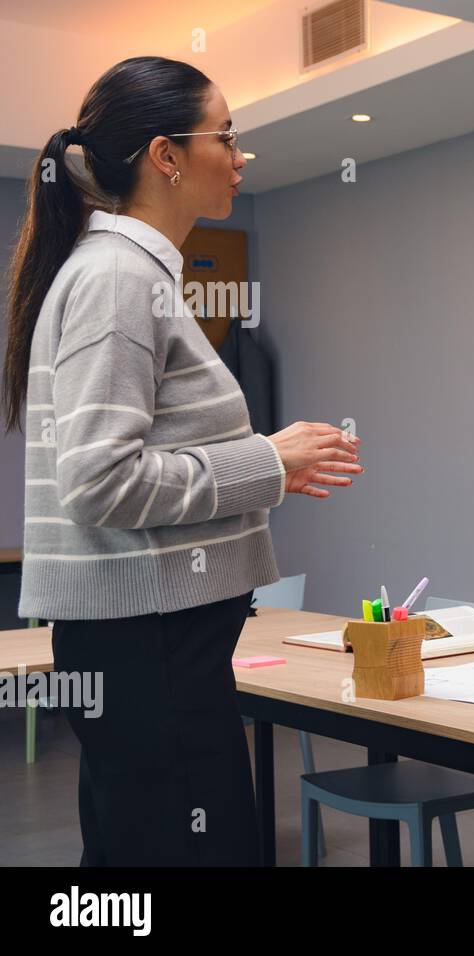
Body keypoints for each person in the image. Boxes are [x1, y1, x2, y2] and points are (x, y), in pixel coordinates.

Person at [1, 56, 364, 865]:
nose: (240, 156)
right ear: (166, 155)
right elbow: (99, 482)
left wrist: (266, 468)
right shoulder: (119, 280)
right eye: (226, 135)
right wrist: (264, 461)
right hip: (151, 651)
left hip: (148, 649)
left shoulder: (118, 273)